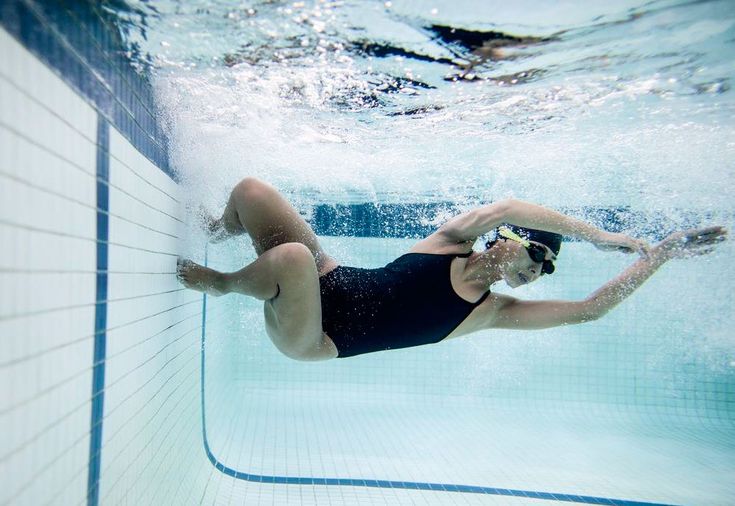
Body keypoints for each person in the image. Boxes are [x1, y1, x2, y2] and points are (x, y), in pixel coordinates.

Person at [177, 177, 727, 361]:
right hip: (325, 275)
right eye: (540, 255)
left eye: (549, 269)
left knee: (291, 259)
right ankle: (215, 228)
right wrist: (603, 235)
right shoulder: (447, 243)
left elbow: (590, 310)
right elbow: (507, 204)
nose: (540, 271)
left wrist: (660, 255)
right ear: (508, 239)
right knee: (252, 191)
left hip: (313, 335)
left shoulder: (491, 313)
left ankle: (225, 285)